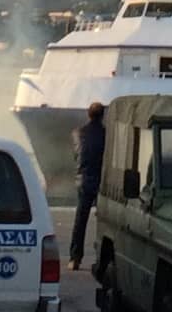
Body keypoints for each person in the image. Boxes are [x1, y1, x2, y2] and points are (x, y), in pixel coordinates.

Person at [69, 102, 105, 271]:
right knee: (104, 222)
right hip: (101, 181)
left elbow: (76, 156)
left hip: (83, 180)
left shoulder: (78, 133)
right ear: (103, 115)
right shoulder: (107, 134)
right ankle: (102, 259)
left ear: (88, 114)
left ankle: (75, 258)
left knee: (80, 220)